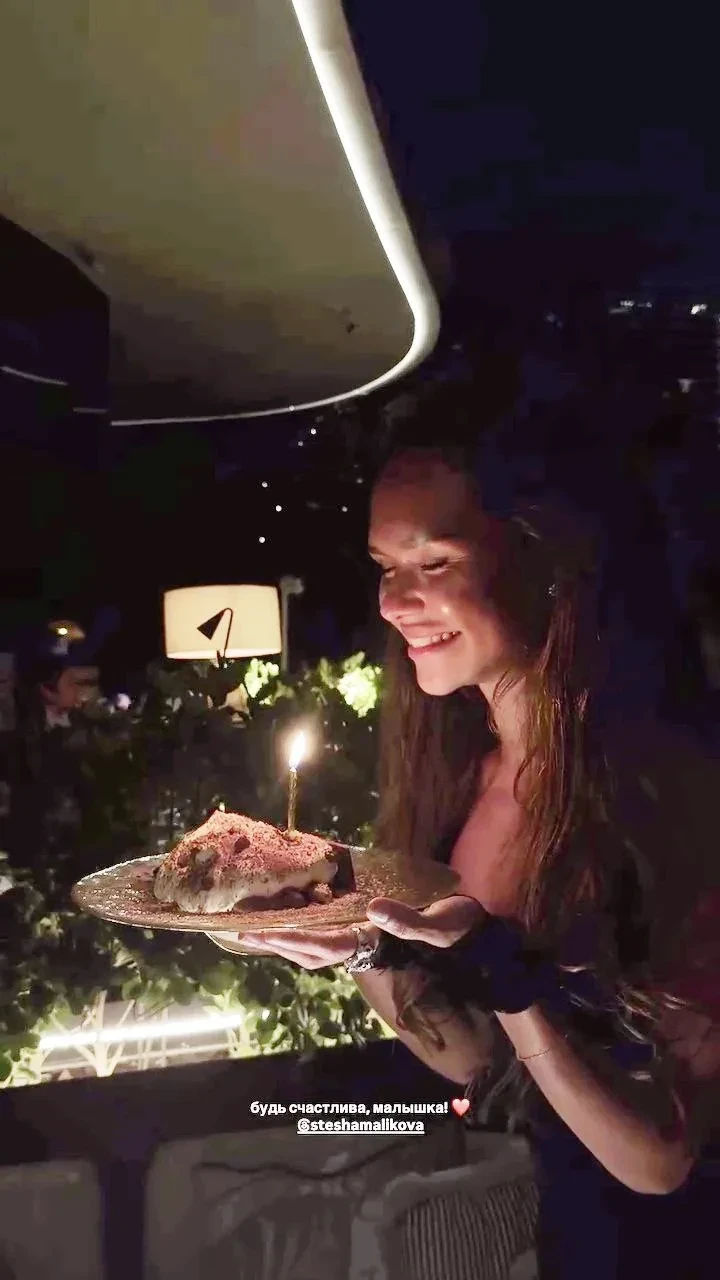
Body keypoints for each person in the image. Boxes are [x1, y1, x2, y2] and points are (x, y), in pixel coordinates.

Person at [223, 411, 720, 1277]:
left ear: (544, 564)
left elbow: (662, 1162)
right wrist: (357, 941)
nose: (394, 601)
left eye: (435, 563)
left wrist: (512, 980)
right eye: (386, 568)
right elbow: (474, 1062)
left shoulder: (665, 797)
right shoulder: (459, 785)